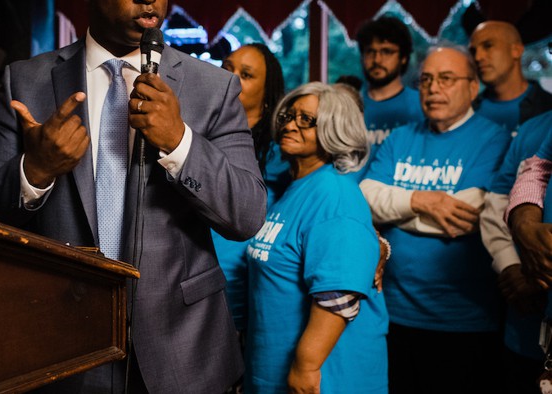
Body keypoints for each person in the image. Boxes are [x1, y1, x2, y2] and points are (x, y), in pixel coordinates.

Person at [0, 0, 268, 392]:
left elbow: (247, 214)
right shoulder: (24, 81)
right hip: (61, 344)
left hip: (184, 350)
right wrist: (35, 170)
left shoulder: (213, 87)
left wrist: (181, 142)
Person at [360, 45, 510, 393]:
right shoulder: (401, 137)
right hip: (391, 311)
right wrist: (420, 200)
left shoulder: (495, 139)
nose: (432, 88)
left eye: (446, 79)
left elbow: (469, 215)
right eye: (426, 79)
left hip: (464, 319)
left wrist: (395, 209)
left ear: (473, 87)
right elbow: (365, 199)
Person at [245, 82, 386, 393]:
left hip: (326, 377)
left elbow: (339, 296)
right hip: (273, 370)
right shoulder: (293, 186)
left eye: (307, 120)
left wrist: (305, 366)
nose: (291, 124)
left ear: (336, 130)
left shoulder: (334, 194)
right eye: (288, 116)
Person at [215, 43, 286, 334]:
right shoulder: (192, 131)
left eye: (246, 75)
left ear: (267, 94)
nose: (231, 79)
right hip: (196, 274)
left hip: (247, 280)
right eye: (228, 67)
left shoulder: (282, 150)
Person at [480, 110, 551, 394]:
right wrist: (515, 261)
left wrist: (539, 273)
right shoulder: (534, 128)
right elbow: (536, 170)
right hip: (528, 324)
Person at [350, 16, 425, 182]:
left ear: (403, 57)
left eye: (386, 51)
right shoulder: (347, 107)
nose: (377, 60)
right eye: (370, 51)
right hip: (352, 197)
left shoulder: (423, 106)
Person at [470, 21, 552, 136]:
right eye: (473, 51)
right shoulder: (464, 112)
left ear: (516, 50)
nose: (478, 57)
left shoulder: (547, 109)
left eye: (488, 45)